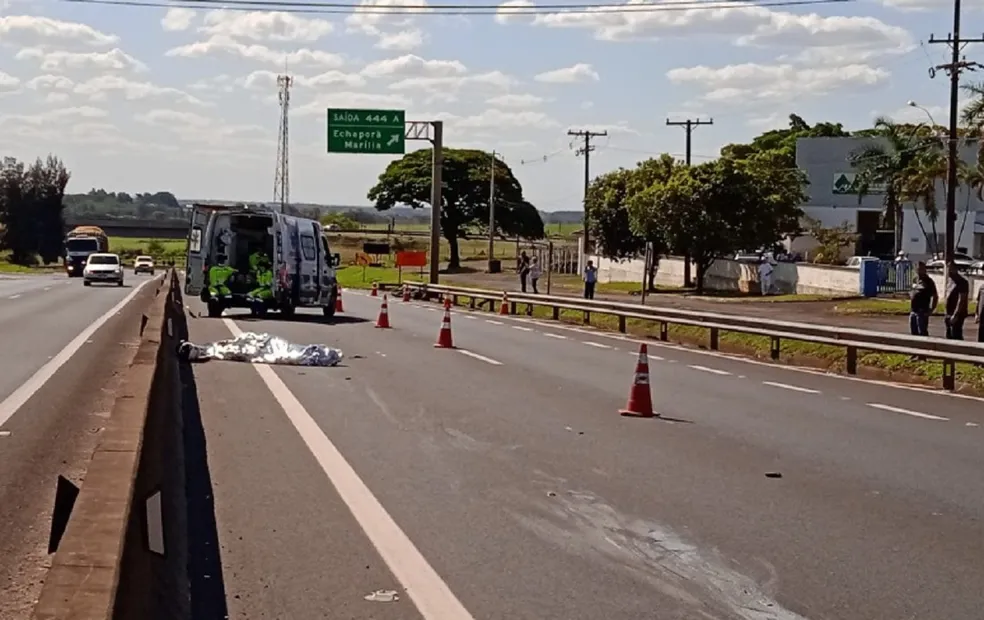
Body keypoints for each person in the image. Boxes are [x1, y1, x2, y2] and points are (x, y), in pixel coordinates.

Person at [908, 261, 937, 337]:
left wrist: (931, 309)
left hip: (922, 311)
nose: (919, 271)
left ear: (924, 270)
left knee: (922, 332)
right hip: (913, 310)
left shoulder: (929, 281)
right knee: (913, 331)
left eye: (921, 269)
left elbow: (935, 296)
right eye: (917, 269)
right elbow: (911, 291)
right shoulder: (915, 280)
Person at [943, 262, 970, 340]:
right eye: (947, 269)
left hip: (958, 313)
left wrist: (956, 315)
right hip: (948, 312)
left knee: (956, 333)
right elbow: (947, 296)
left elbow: (961, 300)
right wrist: (946, 312)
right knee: (949, 334)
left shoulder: (962, 282)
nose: (948, 271)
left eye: (950, 269)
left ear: (955, 269)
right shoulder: (950, 280)